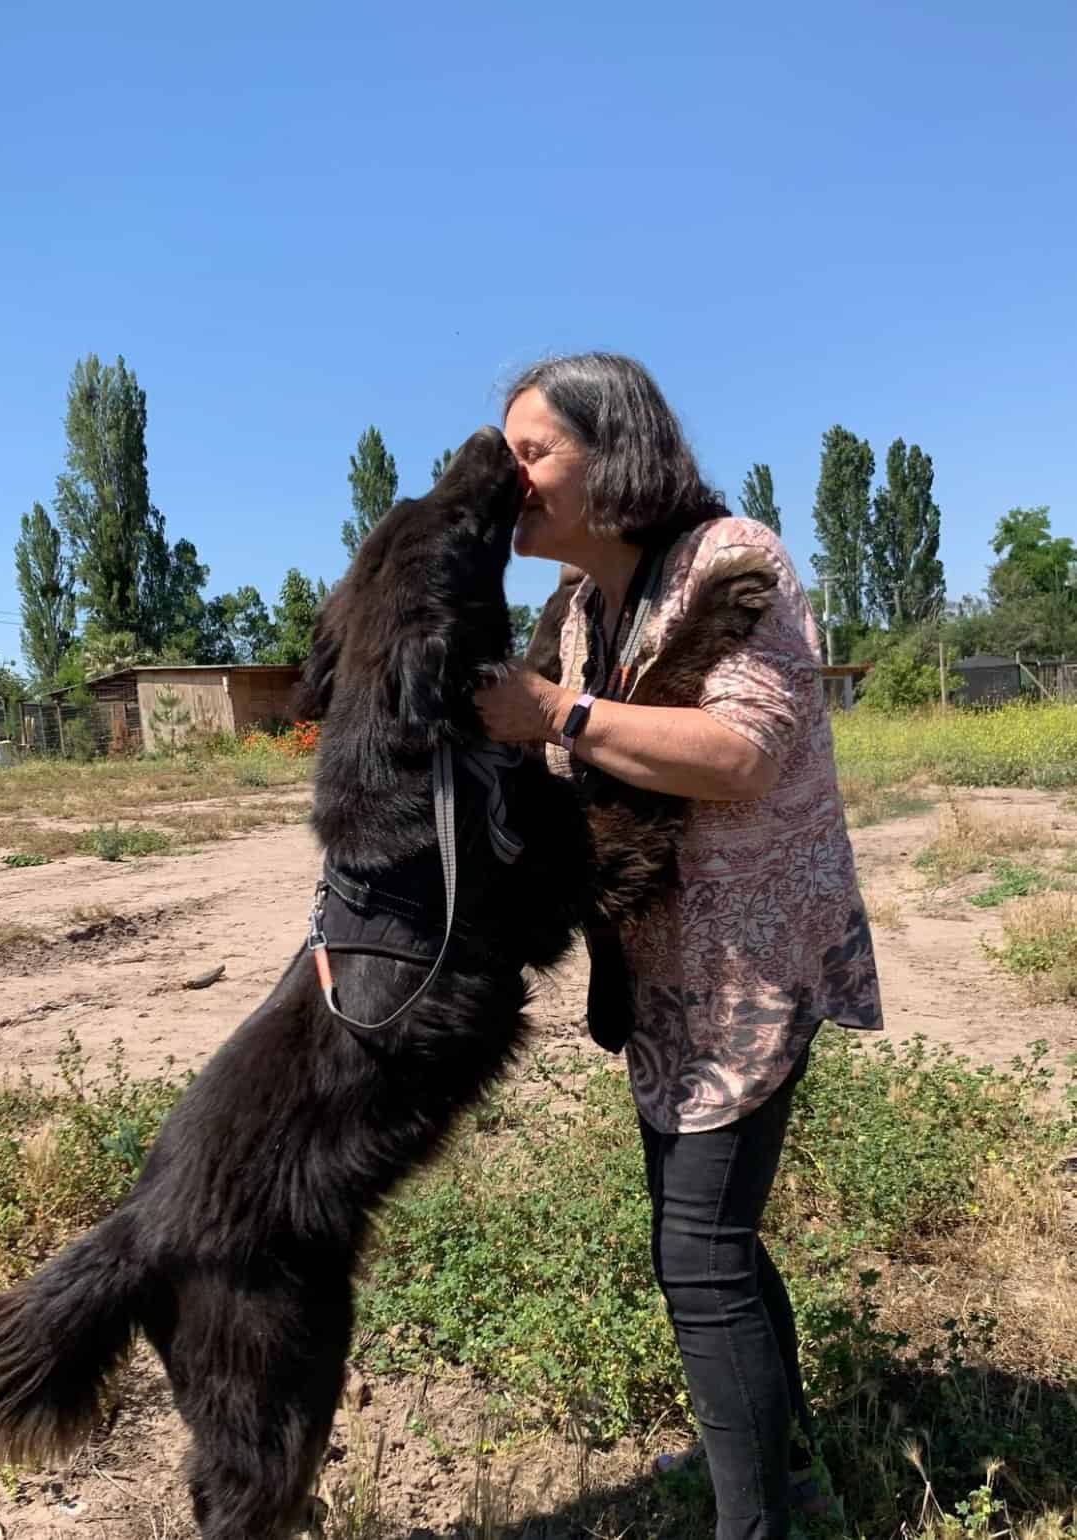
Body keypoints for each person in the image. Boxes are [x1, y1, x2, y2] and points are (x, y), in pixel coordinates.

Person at [473, 353, 882, 1540]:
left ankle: (756, 1523)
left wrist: (556, 713)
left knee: (698, 1251)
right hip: (660, 970)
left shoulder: (731, 560)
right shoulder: (581, 612)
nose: (513, 478)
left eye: (533, 452)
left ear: (619, 456)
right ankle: (783, 1470)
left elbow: (741, 752)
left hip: (752, 956)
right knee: (712, 1241)